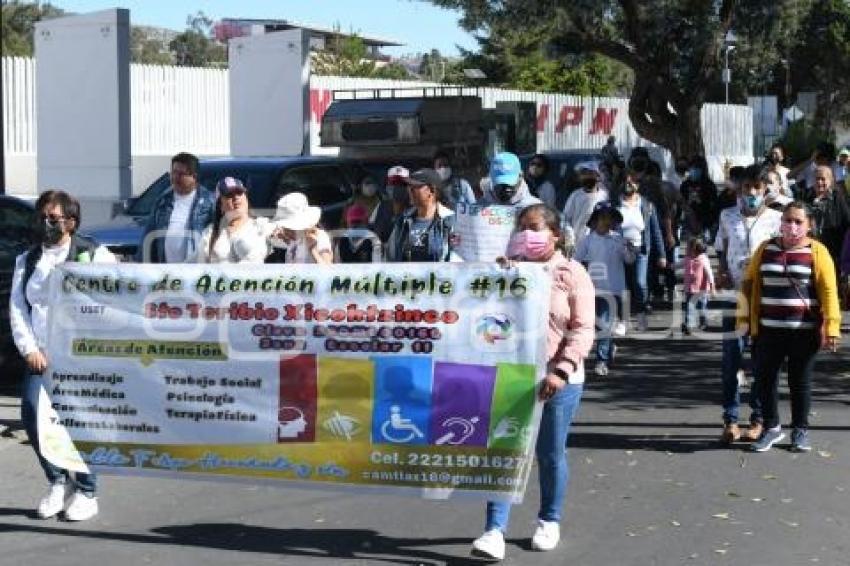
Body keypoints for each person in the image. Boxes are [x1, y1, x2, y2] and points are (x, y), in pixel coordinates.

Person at [471, 204, 595, 560]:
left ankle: (548, 520)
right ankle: (494, 530)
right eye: (522, 227)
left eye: (535, 227)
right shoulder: (506, 270)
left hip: (559, 377)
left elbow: (583, 328)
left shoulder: (572, 273)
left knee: (549, 453)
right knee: (504, 450)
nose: (527, 233)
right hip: (511, 375)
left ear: (555, 234)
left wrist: (561, 370)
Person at [10, 190, 116, 521]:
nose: (47, 223)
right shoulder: (27, 260)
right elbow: (17, 307)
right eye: (42, 216)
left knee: (77, 422)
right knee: (32, 413)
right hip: (41, 355)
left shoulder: (93, 252)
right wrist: (29, 348)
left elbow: (119, 289)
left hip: (80, 357)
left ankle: (86, 489)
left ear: (71, 222)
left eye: (54, 218)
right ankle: (57, 481)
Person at [739, 202, 841, 453]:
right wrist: (742, 320)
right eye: (788, 220)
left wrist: (832, 328)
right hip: (767, 329)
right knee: (765, 379)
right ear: (781, 222)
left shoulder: (817, 251)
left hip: (803, 332)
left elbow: (829, 291)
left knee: (800, 382)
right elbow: (748, 284)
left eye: (798, 222)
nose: (792, 226)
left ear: (809, 225)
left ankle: (800, 430)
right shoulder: (765, 249)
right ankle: (771, 427)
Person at [714, 165, 782, 444]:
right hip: (735, 297)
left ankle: (757, 419)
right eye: (746, 188)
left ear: (765, 189)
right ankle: (730, 419)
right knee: (732, 359)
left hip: (765, 298)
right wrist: (720, 270)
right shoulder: (727, 216)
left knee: (761, 361)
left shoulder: (776, 219)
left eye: (756, 188)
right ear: (738, 191)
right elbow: (721, 245)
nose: (751, 193)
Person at [574, 202, 636, 377]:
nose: (607, 221)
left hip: (614, 288)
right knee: (597, 324)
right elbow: (577, 261)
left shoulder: (618, 239)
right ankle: (609, 348)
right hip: (593, 288)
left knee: (604, 323)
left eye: (610, 217)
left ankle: (601, 360)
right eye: (603, 217)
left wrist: (630, 250)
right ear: (595, 220)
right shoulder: (587, 240)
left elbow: (629, 260)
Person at [137, 152, 216, 263]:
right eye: (174, 172)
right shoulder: (162, 201)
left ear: (194, 176)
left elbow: (217, 235)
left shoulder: (209, 201)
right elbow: (148, 237)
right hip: (167, 272)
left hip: (195, 271)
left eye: (181, 174)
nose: (175, 177)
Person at [616, 169, 666, 330]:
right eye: (625, 180)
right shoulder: (614, 204)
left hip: (641, 250)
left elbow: (656, 230)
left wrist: (662, 255)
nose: (629, 184)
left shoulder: (647, 205)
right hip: (619, 250)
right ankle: (623, 320)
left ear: (638, 185)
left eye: (632, 181)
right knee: (623, 285)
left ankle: (641, 314)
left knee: (640, 283)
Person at [386, 168, 457, 262]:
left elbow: (456, 259)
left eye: (415, 186)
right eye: (408, 186)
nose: (409, 190)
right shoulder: (403, 221)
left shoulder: (450, 221)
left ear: (432, 190)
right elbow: (392, 256)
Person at [196, 177, 269, 264]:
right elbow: (196, 264)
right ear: (220, 205)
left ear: (246, 198)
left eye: (239, 193)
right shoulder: (210, 232)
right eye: (229, 195)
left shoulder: (261, 226)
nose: (236, 197)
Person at [267, 192, 333, 264]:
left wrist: (313, 249)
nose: (284, 229)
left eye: (288, 227)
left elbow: (327, 269)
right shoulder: (294, 239)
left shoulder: (320, 237)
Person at [808, 165, 850, 270]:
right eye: (817, 179)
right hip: (810, 249)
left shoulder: (838, 197)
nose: (819, 182)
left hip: (833, 250)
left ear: (830, 181)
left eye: (823, 179)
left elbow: (847, 221)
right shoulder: (806, 195)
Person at [561, 161, 608, 248]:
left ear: (598, 176)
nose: (587, 176)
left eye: (590, 173)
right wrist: (569, 236)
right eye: (584, 174)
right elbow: (565, 218)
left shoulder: (604, 196)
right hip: (576, 244)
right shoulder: (575, 195)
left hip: (597, 245)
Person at [680, 155, 718, 242]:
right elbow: (681, 201)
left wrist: (709, 223)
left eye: (697, 168)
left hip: (704, 222)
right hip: (688, 221)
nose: (693, 170)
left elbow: (713, 204)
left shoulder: (709, 185)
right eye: (692, 168)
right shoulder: (685, 185)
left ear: (702, 169)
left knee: (701, 248)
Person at [681, 236, 714, 335]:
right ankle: (689, 325)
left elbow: (709, 273)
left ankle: (703, 322)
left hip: (701, 289)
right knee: (689, 306)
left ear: (695, 250)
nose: (686, 250)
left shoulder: (703, 259)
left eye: (688, 248)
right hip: (690, 288)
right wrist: (671, 265)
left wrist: (712, 286)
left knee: (701, 307)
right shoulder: (687, 258)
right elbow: (680, 264)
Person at [370, 165, 410, 243]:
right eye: (393, 183)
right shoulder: (381, 206)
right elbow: (373, 232)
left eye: (401, 184)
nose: (396, 187)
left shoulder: (416, 208)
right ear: (387, 186)